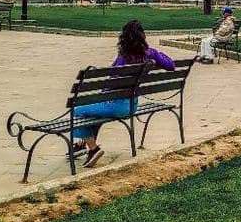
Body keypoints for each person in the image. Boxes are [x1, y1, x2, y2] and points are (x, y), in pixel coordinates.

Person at [72, 19, 175, 167]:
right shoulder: (149, 53)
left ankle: (93, 149)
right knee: (93, 112)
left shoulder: (123, 57)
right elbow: (171, 65)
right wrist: (156, 57)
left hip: (117, 106)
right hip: (133, 106)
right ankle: (83, 144)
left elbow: (112, 83)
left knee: (77, 110)